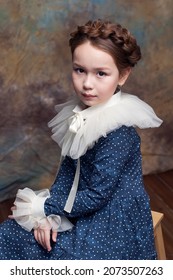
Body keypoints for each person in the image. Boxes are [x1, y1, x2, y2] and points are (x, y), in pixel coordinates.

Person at [0, 19, 162, 260]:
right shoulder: (79, 115)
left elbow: (98, 196)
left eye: (101, 74)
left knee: (63, 256)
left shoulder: (118, 133)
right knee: (10, 233)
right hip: (78, 201)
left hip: (112, 216)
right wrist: (48, 217)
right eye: (80, 70)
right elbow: (67, 171)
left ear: (123, 75)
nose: (87, 84)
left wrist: (44, 207)